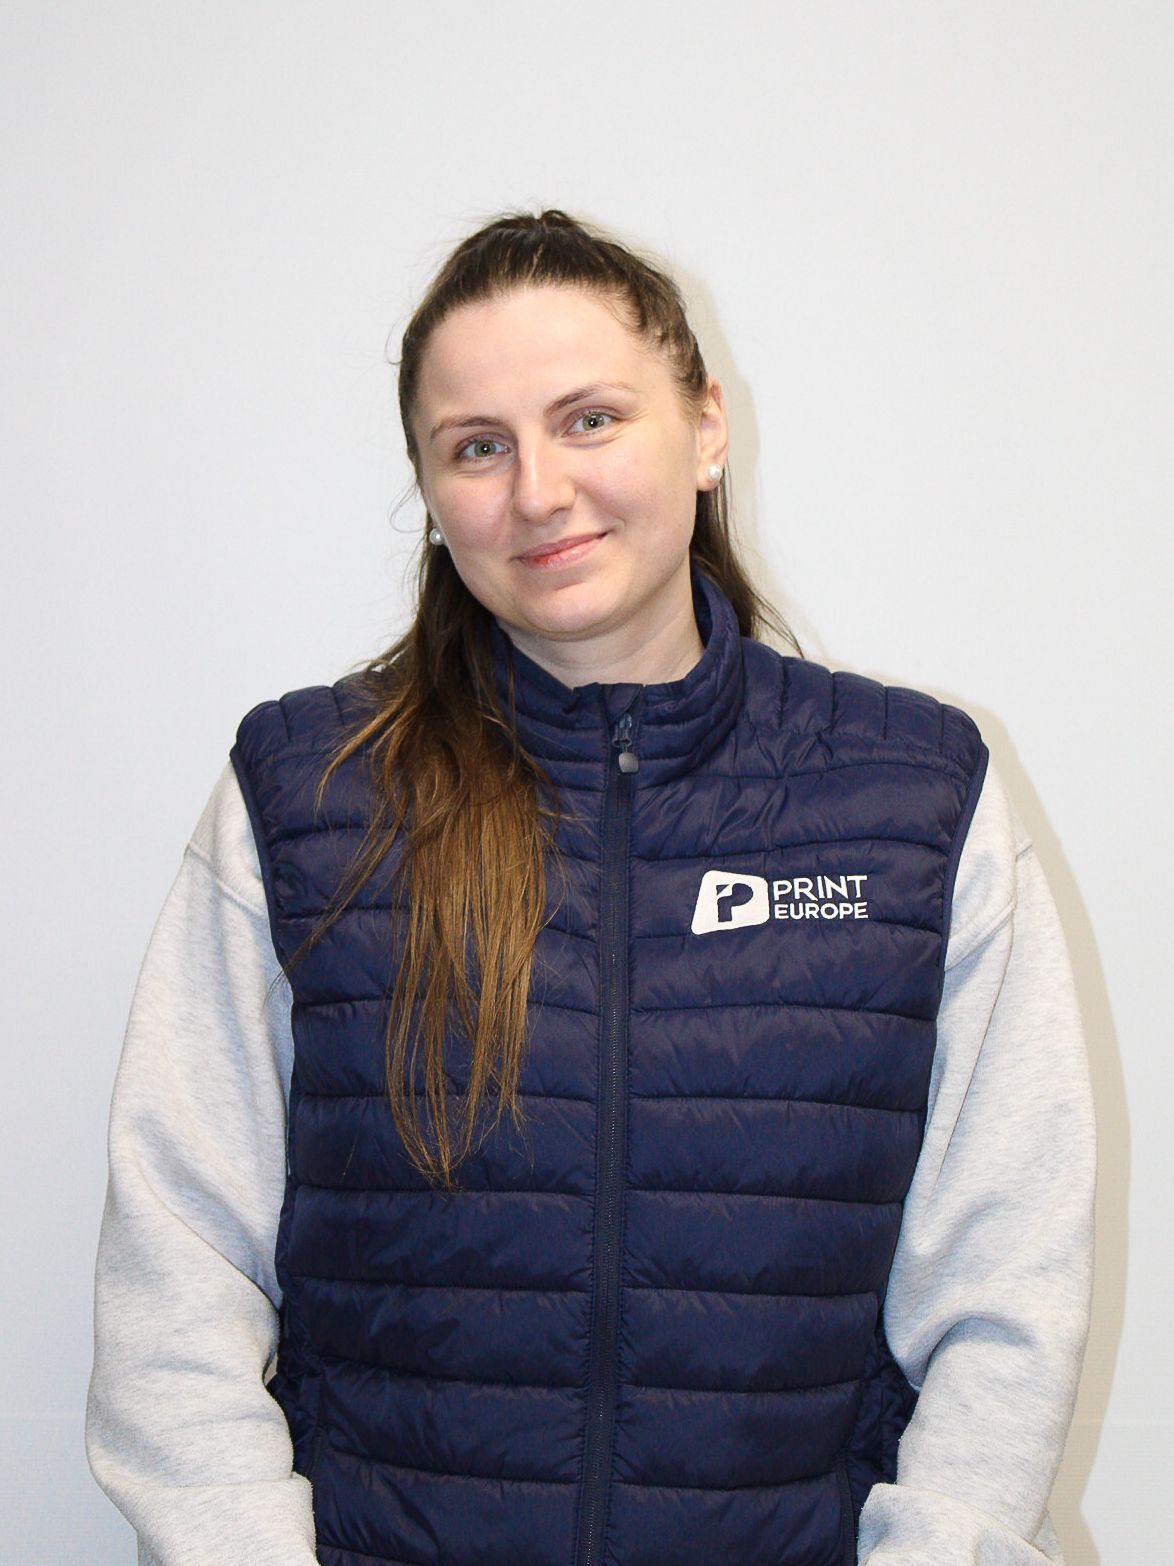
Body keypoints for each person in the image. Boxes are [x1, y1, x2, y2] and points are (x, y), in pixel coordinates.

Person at [86, 210, 1095, 1566]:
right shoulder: (309, 796)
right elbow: (176, 1266)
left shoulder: (912, 798)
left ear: (707, 427)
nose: (539, 492)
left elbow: (1007, 1286)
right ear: (433, 498)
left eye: (591, 419)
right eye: (477, 447)